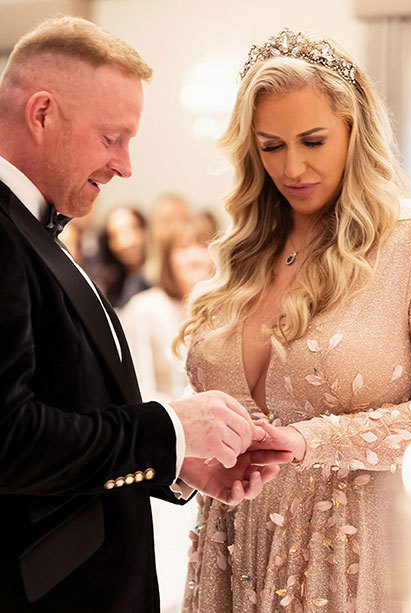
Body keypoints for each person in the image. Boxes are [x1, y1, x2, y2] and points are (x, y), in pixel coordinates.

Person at [0, 17, 289, 612]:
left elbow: (76, 414)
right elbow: (10, 440)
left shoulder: (35, 226)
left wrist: (176, 461)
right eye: (112, 138)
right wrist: (171, 427)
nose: (126, 165)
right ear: (43, 113)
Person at [178, 29, 411, 612]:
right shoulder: (243, 251)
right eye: (271, 145)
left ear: (355, 131)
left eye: (312, 140)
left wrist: (308, 440)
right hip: (229, 542)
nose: (293, 166)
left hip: (347, 555)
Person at [120, 213, 217, 401]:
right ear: (168, 258)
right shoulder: (144, 308)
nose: (194, 257)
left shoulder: (225, 311)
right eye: (183, 248)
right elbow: (139, 387)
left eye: (202, 246)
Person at [92, 205, 152, 308]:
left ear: (144, 231)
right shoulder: (109, 285)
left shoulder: (161, 276)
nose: (124, 243)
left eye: (130, 230)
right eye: (114, 236)